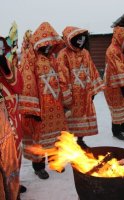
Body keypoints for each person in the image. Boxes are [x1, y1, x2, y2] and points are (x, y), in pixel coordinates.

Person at [19, 22, 69, 179]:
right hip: (40, 106)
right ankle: (39, 166)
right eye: (46, 44)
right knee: (38, 139)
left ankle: (55, 161)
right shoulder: (29, 58)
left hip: (56, 106)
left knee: (56, 137)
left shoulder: (52, 58)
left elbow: (61, 78)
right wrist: (31, 110)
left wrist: (66, 99)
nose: (49, 47)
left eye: (51, 44)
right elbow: (27, 84)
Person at [57, 26, 104, 149]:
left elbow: (92, 70)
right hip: (72, 95)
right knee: (70, 121)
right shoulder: (63, 55)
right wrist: (66, 96)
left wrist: (93, 91)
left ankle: (80, 140)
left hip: (85, 93)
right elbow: (62, 77)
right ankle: (66, 146)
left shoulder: (85, 53)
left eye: (83, 39)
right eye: (78, 39)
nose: (81, 41)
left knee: (83, 118)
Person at [103, 26, 124, 141]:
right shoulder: (111, 50)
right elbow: (117, 69)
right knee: (117, 108)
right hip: (115, 85)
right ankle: (116, 131)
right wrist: (122, 85)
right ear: (120, 38)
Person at [0, 37, 20, 200]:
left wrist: (5, 67)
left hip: (10, 115)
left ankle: (13, 188)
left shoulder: (5, 62)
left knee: (12, 154)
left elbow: (17, 85)